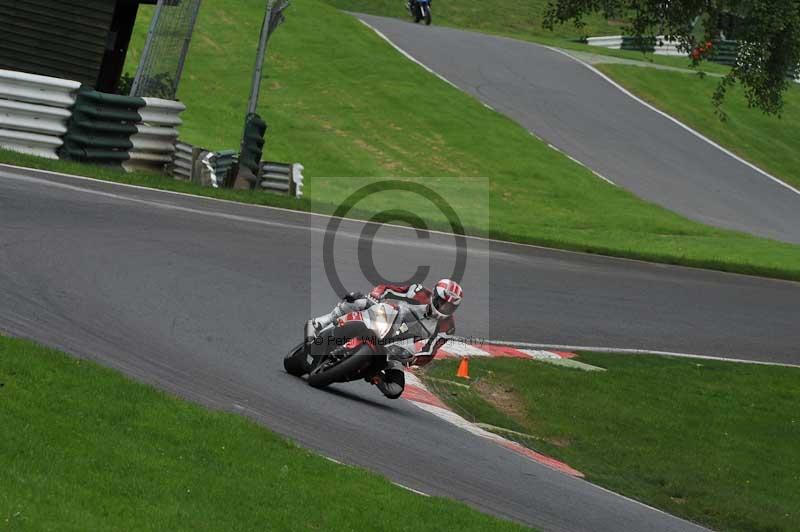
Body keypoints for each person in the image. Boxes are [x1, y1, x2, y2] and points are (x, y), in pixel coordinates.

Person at [306, 279, 463, 398]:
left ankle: (373, 374)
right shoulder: (418, 292)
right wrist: (375, 295)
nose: (443, 308)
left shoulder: (447, 328)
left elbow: (429, 352)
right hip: (388, 318)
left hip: (398, 345)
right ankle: (323, 322)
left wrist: (412, 359)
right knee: (359, 300)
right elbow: (388, 288)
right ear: (434, 295)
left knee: (395, 389)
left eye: (448, 307)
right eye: (441, 303)